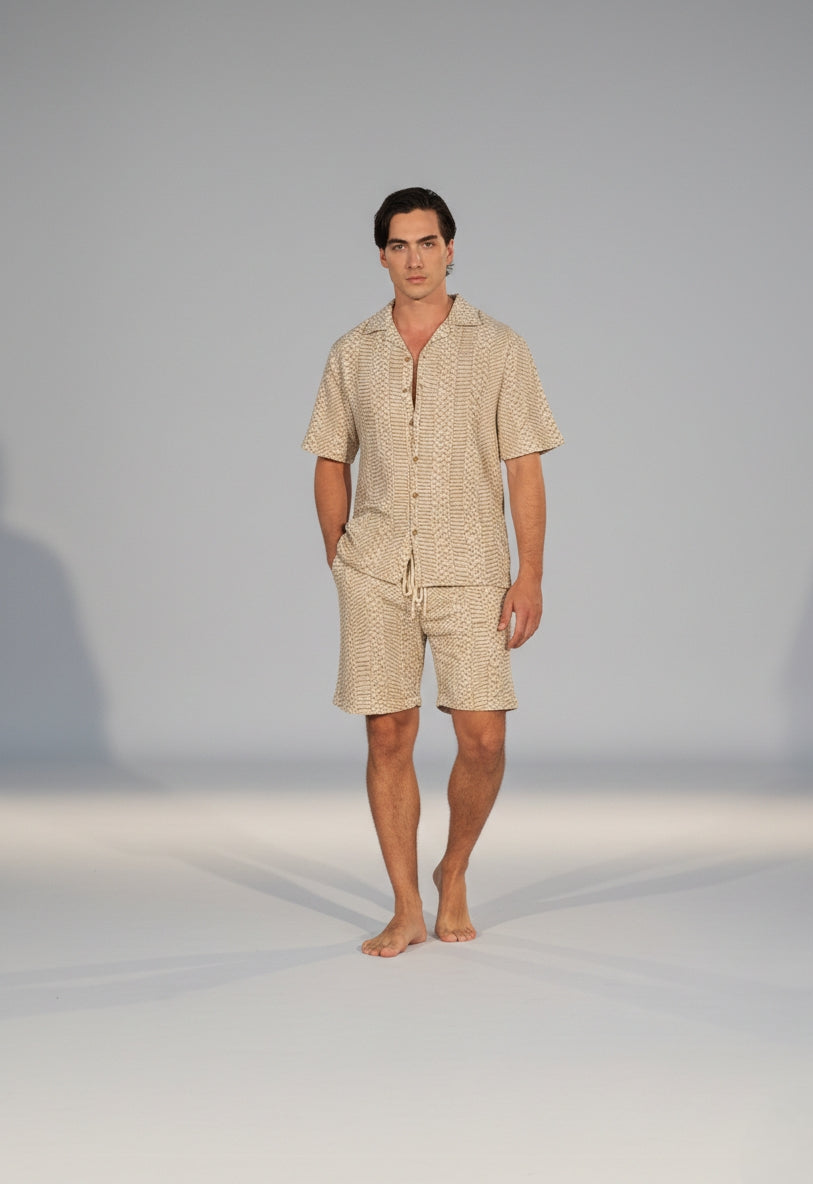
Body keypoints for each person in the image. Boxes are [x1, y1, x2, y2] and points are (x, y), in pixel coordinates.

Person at [302, 187, 563, 957]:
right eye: (398, 245)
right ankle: (407, 905)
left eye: (426, 243)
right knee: (388, 735)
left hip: (473, 568)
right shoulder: (352, 352)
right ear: (381, 256)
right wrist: (339, 554)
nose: (413, 259)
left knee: (483, 738)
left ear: (451, 249)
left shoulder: (500, 347)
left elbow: (524, 468)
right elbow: (329, 456)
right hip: (377, 569)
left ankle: (454, 868)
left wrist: (530, 575)